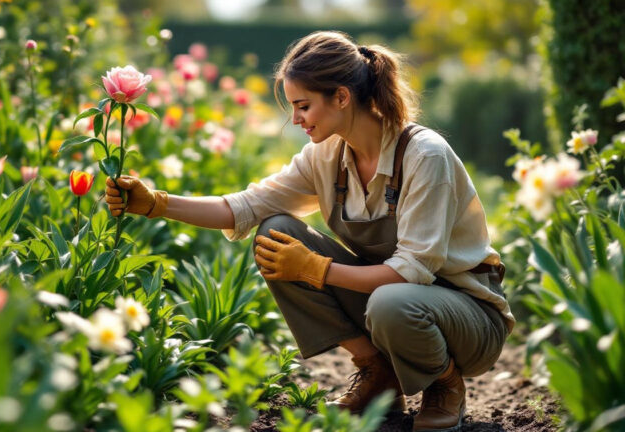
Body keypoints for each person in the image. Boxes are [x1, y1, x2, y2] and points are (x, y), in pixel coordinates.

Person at [105, 31, 514, 432]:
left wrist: (316, 269)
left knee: (391, 301)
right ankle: (378, 373)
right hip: (388, 305)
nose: (296, 119)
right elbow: (246, 206)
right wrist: (156, 204)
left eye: (303, 106)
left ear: (341, 97)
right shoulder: (326, 156)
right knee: (276, 233)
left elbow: (412, 272)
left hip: (468, 319)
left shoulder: (425, 156)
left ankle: (445, 385)